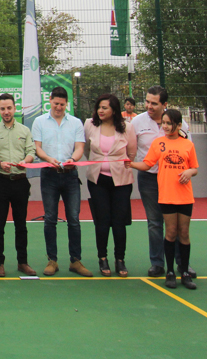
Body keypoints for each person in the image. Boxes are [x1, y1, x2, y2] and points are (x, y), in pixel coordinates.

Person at [127, 109, 198, 290]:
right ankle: (170, 272)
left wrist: (189, 172)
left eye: (169, 123)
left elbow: (194, 168)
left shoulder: (187, 144)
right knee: (170, 232)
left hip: (185, 196)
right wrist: (131, 163)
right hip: (166, 195)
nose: (165, 126)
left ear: (179, 125)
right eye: (163, 123)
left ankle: (185, 271)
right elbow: (147, 164)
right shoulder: (158, 143)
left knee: (184, 233)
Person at [32, 87, 91, 277]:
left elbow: (80, 147)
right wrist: (49, 159)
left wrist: (73, 159)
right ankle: (52, 260)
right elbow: (38, 149)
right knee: (50, 218)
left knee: (73, 219)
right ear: (50, 101)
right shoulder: (39, 121)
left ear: (67, 104)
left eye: (62, 104)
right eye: (56, 103)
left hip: (71, 175)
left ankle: (76, 261)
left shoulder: (75, 123)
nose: (58, 107)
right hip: (48, 174)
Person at [84, 94, 137, 277]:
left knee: (119, 222)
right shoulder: (90, 124)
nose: (101, 110)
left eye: (105, 107)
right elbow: (86, 150)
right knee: (103, 220)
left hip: (121, 181)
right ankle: (102, 257)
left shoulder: (127, 128)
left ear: (114, 109)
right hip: (97, 181)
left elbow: (132, 153)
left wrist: (115, 164)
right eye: (99, 107)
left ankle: (120, 259)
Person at [0, 93, 36, 277]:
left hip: (20, 182)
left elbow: (31, 151)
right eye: (3, 108)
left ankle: (22, 262)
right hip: (0, 181)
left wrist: (26, 160)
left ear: (14, 108)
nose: (6, 111)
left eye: (9, 108)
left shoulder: (24, 131)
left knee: (20, 224)